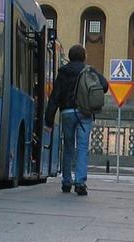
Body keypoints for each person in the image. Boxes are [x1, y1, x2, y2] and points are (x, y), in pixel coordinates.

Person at [45, 44, 109, 196]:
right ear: (84, 56)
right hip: (85, 113)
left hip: (67, 112)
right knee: (82, 148)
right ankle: (80, 182)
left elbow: (55, 97)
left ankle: (67, 181)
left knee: (68, 147)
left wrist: (48, 120)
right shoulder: (89, 70)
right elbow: (105, 86)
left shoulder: (63, 72)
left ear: (70, 56)